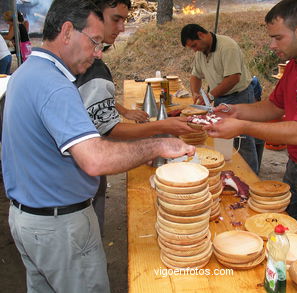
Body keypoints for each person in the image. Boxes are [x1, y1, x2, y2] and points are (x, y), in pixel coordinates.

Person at [2, 0, 194, 292]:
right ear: (67, 31)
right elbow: (95, 159)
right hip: (60, 228)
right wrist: (157, 145)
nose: (96, 53)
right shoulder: (55, 86)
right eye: (93, 41)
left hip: (28, 219)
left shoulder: (27, 73)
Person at [205, 0, 297, 264]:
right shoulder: (296, 66)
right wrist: (235, 112)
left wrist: (242, 127)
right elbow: (274, 106)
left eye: (277, 37)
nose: (272, 45)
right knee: (290, 239)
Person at [76, 0, 197, 234]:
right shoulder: (90, 67)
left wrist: (124, 111)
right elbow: (109, 130)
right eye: (116, 19)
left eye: (124, 20)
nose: (122, 28)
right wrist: (160, 132)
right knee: (89, 230)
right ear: (94, 15)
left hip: (76, 178)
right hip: (75, 185)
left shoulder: (86, 63)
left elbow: (96, 100)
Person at [180, 23, 263, 175]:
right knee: (223, 138)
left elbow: (233, 78)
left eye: (194, 45)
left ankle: (251, 179)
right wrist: (196, 93)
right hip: (220, 99)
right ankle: (229, 174)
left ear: (201, 35)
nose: (194, 49)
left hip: (240, 97)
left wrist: (210, 96)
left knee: (243, 140)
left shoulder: (227, 46)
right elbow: (195, 75)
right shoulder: (201, 52)